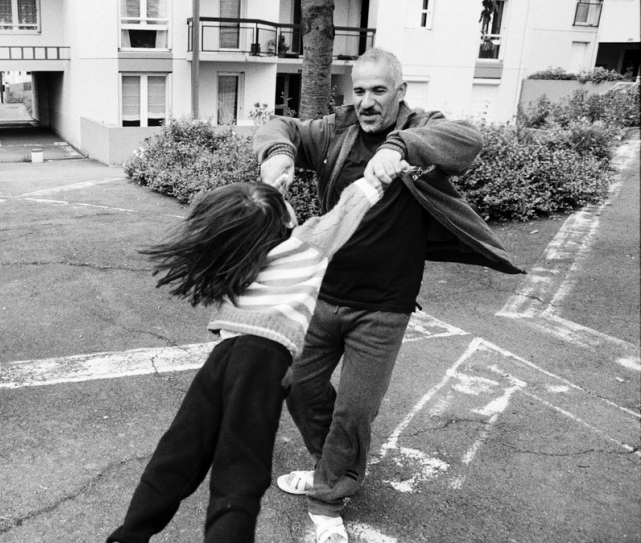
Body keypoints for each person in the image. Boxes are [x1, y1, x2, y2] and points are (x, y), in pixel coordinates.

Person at [253, 48, 523, 543]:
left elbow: (467, 140)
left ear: (400, 93)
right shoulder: (336, 131)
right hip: (324, 294)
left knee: (355, 410)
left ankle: (329, 496)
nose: (367, 101)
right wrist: (278, 157)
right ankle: (332, 466)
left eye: (379, 90)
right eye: (359, 90)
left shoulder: (422, 127)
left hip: (384, 306)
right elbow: (280, 126)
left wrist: (398, 148)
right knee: (297, 383)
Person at [107, 175, 387, 543]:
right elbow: (347, 208)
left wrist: (268, 199)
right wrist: (383, 173)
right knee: (239, 474)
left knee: (177, 457)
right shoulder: (306, 246)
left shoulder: (240, 255)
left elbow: (259, 216)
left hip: (223, 358)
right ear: (286, 221)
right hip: (261, 360)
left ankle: (128, 536)